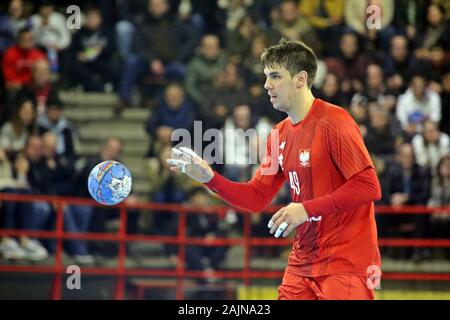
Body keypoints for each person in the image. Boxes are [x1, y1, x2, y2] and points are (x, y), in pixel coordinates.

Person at [167, 39, 382, 300]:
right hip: (302, 263)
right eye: (267, 77)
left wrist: (305, 209)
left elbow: (369, 186)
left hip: (345, 262)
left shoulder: (335, 121)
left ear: (300, 79)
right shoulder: (277, 135)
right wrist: (210, 178)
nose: (267, 85)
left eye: (275, 76)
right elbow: (256, 197)